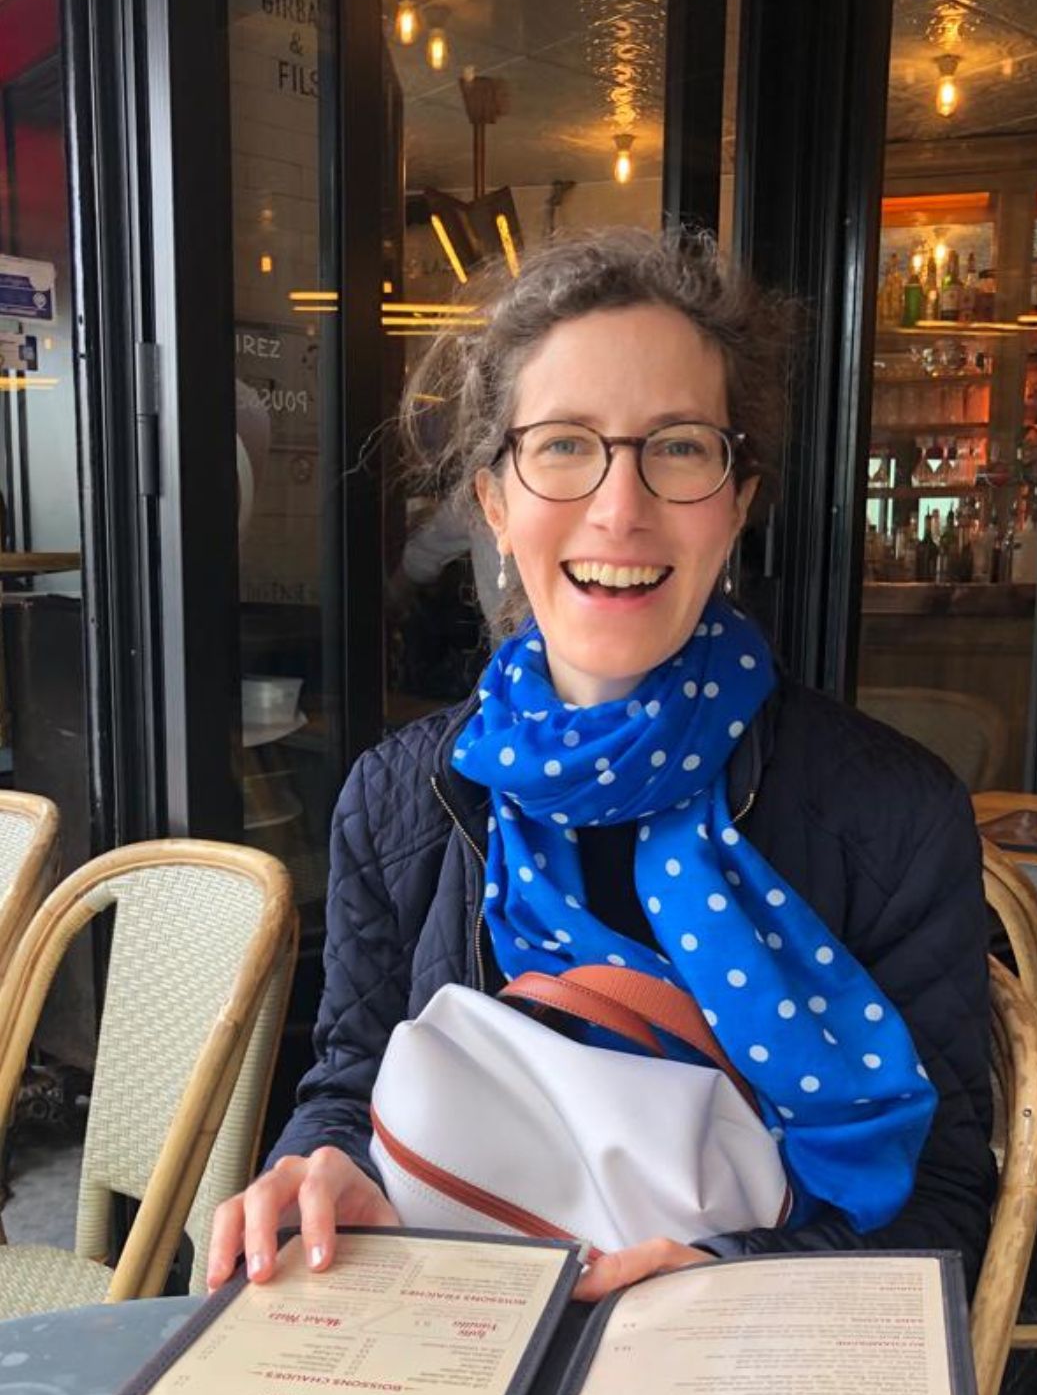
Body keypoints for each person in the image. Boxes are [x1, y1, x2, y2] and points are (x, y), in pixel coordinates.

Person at [207, 228, 994, 1303]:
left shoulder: (892, 815)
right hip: (451, 1334)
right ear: (493, 499)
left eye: (677, 447)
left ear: (739, 499)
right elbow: (348, 1079)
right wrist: (323, 1160)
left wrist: (727, 1278)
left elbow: (945, 1203)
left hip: (746, 1376)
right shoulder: (396, 800)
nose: (619, 509)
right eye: (565, 446)